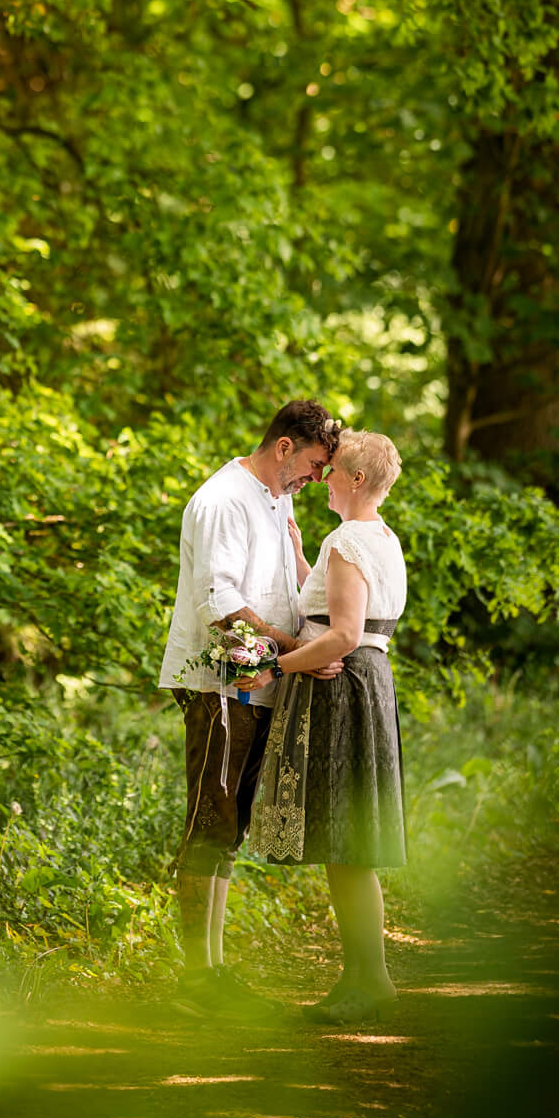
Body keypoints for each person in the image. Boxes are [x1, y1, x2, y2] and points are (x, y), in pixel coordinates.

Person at [157, 397, 341, 980]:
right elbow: (221, 604)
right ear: (284, 445)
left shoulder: (278, 499)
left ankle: (213, 971)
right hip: (217, 684)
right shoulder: (223, 501)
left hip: (258, 684)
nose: (317, 478)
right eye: (314, 464)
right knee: (207, 823)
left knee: (228, 827)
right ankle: (196, 977)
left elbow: (288, 590)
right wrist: (298, 652)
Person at [251, 427, 407, 1023]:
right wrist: (299, 557)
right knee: (348, 847)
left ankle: (368, 980)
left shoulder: (347, 540)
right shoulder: (378, 537)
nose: (323, 478)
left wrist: (273, 667)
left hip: (341, 688)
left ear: (358, 480)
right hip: (367, 683)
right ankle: (367, 977)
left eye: (334, 469)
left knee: (346, 844)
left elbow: (341, 635)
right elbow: (335, 610)